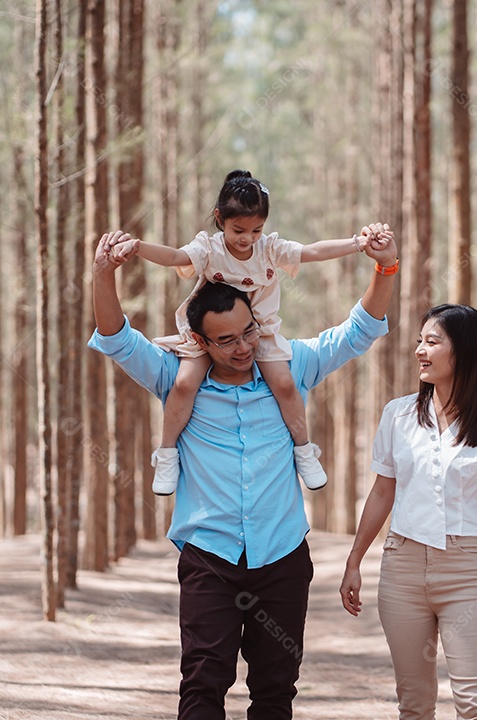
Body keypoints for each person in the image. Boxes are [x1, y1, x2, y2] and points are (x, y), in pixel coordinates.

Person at [89, 223, 399, 720]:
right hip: (209, 558)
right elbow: (116, 337)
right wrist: (103, 275)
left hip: (282, 558)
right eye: (226, 340)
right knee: (203, 683)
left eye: (248, 331)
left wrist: (385, 267)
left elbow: (358, 330)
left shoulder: (289, 368)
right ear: (199, 342)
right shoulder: (175, 379)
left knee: (276, 690)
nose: (242, 347)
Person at [110, 169, 390, 496]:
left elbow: (312, 251)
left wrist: (358, 244)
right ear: (220, 219)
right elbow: (174, 257)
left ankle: (304, 450)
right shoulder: (209, 249)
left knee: (286, 385)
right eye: (238, 230)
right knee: (184, 384)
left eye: (256, 229)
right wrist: (138, 246)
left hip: (260, 332)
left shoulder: (269, 249)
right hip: (214, 336)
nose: (246, 238)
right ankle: (167, 453)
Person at [339, 304, 477, 720]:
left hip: (465, 572)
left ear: (464, 350)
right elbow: (382, 491)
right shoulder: (399, 414)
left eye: (432, 341)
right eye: (419, 341)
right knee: (414, 703)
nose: (419, 350)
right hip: (401, 570)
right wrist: (355, 560)